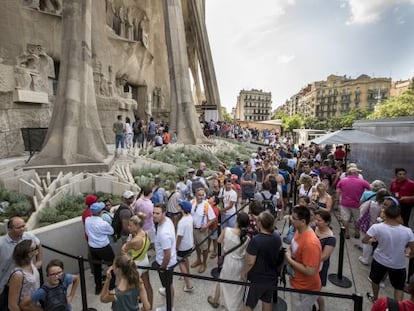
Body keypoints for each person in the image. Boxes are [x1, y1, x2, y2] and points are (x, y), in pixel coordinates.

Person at [364, 196, 414, 303]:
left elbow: (364, 240)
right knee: (398, 287)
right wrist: (410, 254)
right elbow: (412, 248)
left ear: (385, 214)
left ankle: (375, 298)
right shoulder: (408, 231)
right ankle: (398, 306)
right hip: (398, 264)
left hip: (379, 260)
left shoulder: (377, 227)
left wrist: (373, 240)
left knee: (375, 280)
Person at [207, 212, 250, 310]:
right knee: (237, 285)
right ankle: (234, 306)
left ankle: (215, 300)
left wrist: (225, 245)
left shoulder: (227, 230)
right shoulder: (247, 238)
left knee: (222, 280)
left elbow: (218, 241)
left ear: (237, 221)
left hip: (229, 260)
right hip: (240, 263)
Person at [241, 211, 281, 311]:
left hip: (256, 278)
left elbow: (250, 261)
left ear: (260, 224)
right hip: (271, 276)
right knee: (267, 301)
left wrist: (243, 272)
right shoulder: (277, 237)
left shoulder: (256, 240)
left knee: (248, 304)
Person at [285, 205, 322, 311]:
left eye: (294, 218)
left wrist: (290, 260)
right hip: (296, 282)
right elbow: (294, 248)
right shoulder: (298, 230)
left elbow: (310, 271)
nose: (291, 219)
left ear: (303, 221)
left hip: (305, 288)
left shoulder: (311, 243)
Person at [0, 217, 42, 309]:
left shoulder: (28, 237)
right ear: (10, 229)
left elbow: (38, 244)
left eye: (23, 226)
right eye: (18, 227)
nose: (22, 229)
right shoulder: (1, 244)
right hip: (5, 284)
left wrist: (39, 260)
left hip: (26, 282)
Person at [122, 214, 153, 309]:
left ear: (137, 226)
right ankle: (148, 306)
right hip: (145, 261)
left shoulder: (134, 241)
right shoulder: (146, 233)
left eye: (130, 225)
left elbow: (123, 250)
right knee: (147, 285)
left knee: (130, 289)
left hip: (136, 264)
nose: (128, 227)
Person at [84, 202, 115, 295]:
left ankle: (98, 287)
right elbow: (111, 231)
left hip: (92, 247)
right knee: (111, 265)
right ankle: (111, 285)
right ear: (100, 212)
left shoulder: (87, 220)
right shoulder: (103, 223)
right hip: (104, 247)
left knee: (97, 268)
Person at [152, 204, 177, 311]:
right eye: (153, 213)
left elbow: (167, 254)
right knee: (168, 284)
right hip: (168, 260)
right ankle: (166, 290)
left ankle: (169, 307)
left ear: (164, 214)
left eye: (157, 213)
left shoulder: (163, 233)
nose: (154, 215)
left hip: (166, 264)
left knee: (169, 285)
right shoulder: (167, 220)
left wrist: (162, 267)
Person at [336, 166, 370, 239]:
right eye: (357, 172)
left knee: (345, 218)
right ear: (354, 173)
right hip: (357, 204)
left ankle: (347, 233)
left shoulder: (342, 181)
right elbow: (370, 188)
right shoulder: (362, 182)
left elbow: (338, 191)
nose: (358, 174)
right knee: (357, 219)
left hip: (344, 203)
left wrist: (337, 201)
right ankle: (357, 232)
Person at [7, 239, 41, 311]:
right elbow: (12, 305)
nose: (38, 248)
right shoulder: (18, 275)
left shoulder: (31, 264)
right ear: (29, 254)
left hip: (34, 305)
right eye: (35, 248)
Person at [190, 188, 216, 274]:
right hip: (193, 230)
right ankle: (198, 260)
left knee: (204, 248)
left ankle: (204, 263)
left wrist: (206, 226)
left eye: (202, 195)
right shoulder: (192, 202)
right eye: (199, 195)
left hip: (202, 231)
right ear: (195, 195)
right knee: (197, 245)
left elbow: (213, 218)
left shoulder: (206, 205)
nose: (201, 197)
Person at [314, 210, 336, 311]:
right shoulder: (313, 228)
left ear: (327, 222)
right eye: (316, 219)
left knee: (316, 290)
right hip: (309, 263)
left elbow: (324, 256)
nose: (316, 222)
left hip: (319, 266)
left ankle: (321, 308)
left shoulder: (330, 239)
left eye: (319, 220)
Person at [176, 200, 194, 293]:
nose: (178, 206)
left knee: (180, 262)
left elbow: (179, 236)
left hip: (182, 246)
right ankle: (188, 273)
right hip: (190, 244)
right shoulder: (190, 217)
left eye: (180, 206)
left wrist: (176, 246)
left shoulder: (182, 222)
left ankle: (188, 285)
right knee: (186, 259)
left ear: (182, 209)